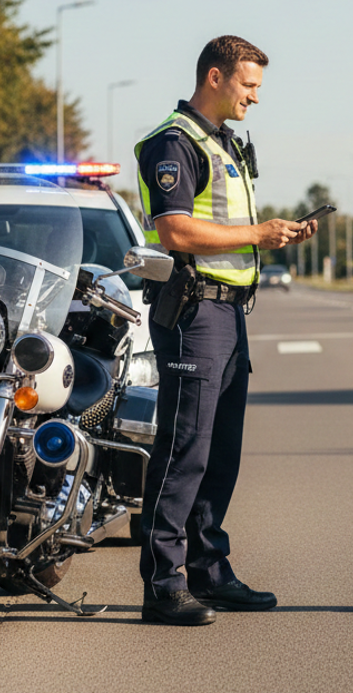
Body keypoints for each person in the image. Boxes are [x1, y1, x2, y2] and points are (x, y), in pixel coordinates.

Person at [135, 35, 316, 626]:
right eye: (249, 85)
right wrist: (258, 234)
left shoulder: (221, 143)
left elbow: (228, 227)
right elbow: (176, 232)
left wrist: (274, 235)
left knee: (220, 452)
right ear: (215, 77)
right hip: (194, 312)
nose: (255, 98)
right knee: (184, 448)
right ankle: (163, 584)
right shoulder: (174, 142)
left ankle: (209, 573)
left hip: (229, 311)